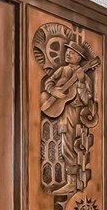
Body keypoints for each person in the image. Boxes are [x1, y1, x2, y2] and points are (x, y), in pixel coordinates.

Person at [42, 40, 99, 196]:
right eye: (67, 51)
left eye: (72, 52)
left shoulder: (84, 76)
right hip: (60, 110)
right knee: (59, 142)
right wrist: (54, 91)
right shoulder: (62, 70)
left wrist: (80, 82)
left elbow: (87, 99)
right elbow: (48, 82)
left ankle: (72, 182)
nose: (68, 53)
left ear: (79, 58)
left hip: (74, 112)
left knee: (69, 144)